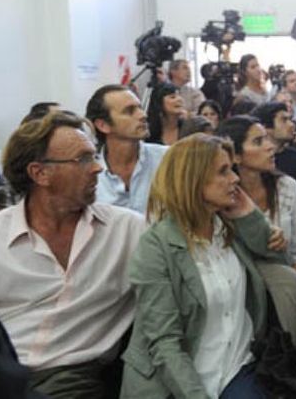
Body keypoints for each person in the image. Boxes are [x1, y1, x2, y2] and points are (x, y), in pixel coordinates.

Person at [0, 111, 146, 398]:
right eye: (84, 159)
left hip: (74, 376)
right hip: (6, 374)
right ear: (39, 173)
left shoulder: (127, 230)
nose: (98, 169)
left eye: (95, 156)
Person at [120, 134, 280, 398]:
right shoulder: (156, 247)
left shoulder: (232, 229)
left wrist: (250, 216)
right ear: (192, 180)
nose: (235, 179)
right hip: (177, 380)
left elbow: (282, 270)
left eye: (232, 169)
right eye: (223, 171)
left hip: (237, 369)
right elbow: (165, 343)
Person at [216, 116, 296, 280]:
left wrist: (288, 286)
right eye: (258, 142)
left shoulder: (286, 187)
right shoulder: (222, 197)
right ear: (235, 156)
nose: (270, 146)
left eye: (267, 139)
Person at [86, 84, 168, 214]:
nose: (143, 115)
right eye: (129, 111)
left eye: (140, 108)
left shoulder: (168, 159)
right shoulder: (89, 173)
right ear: (103, 125)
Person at [251, 102, 296, 182]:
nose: (291, 125)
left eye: (290, 119)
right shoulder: (253, 160)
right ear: (265, 127)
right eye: (284, 120)